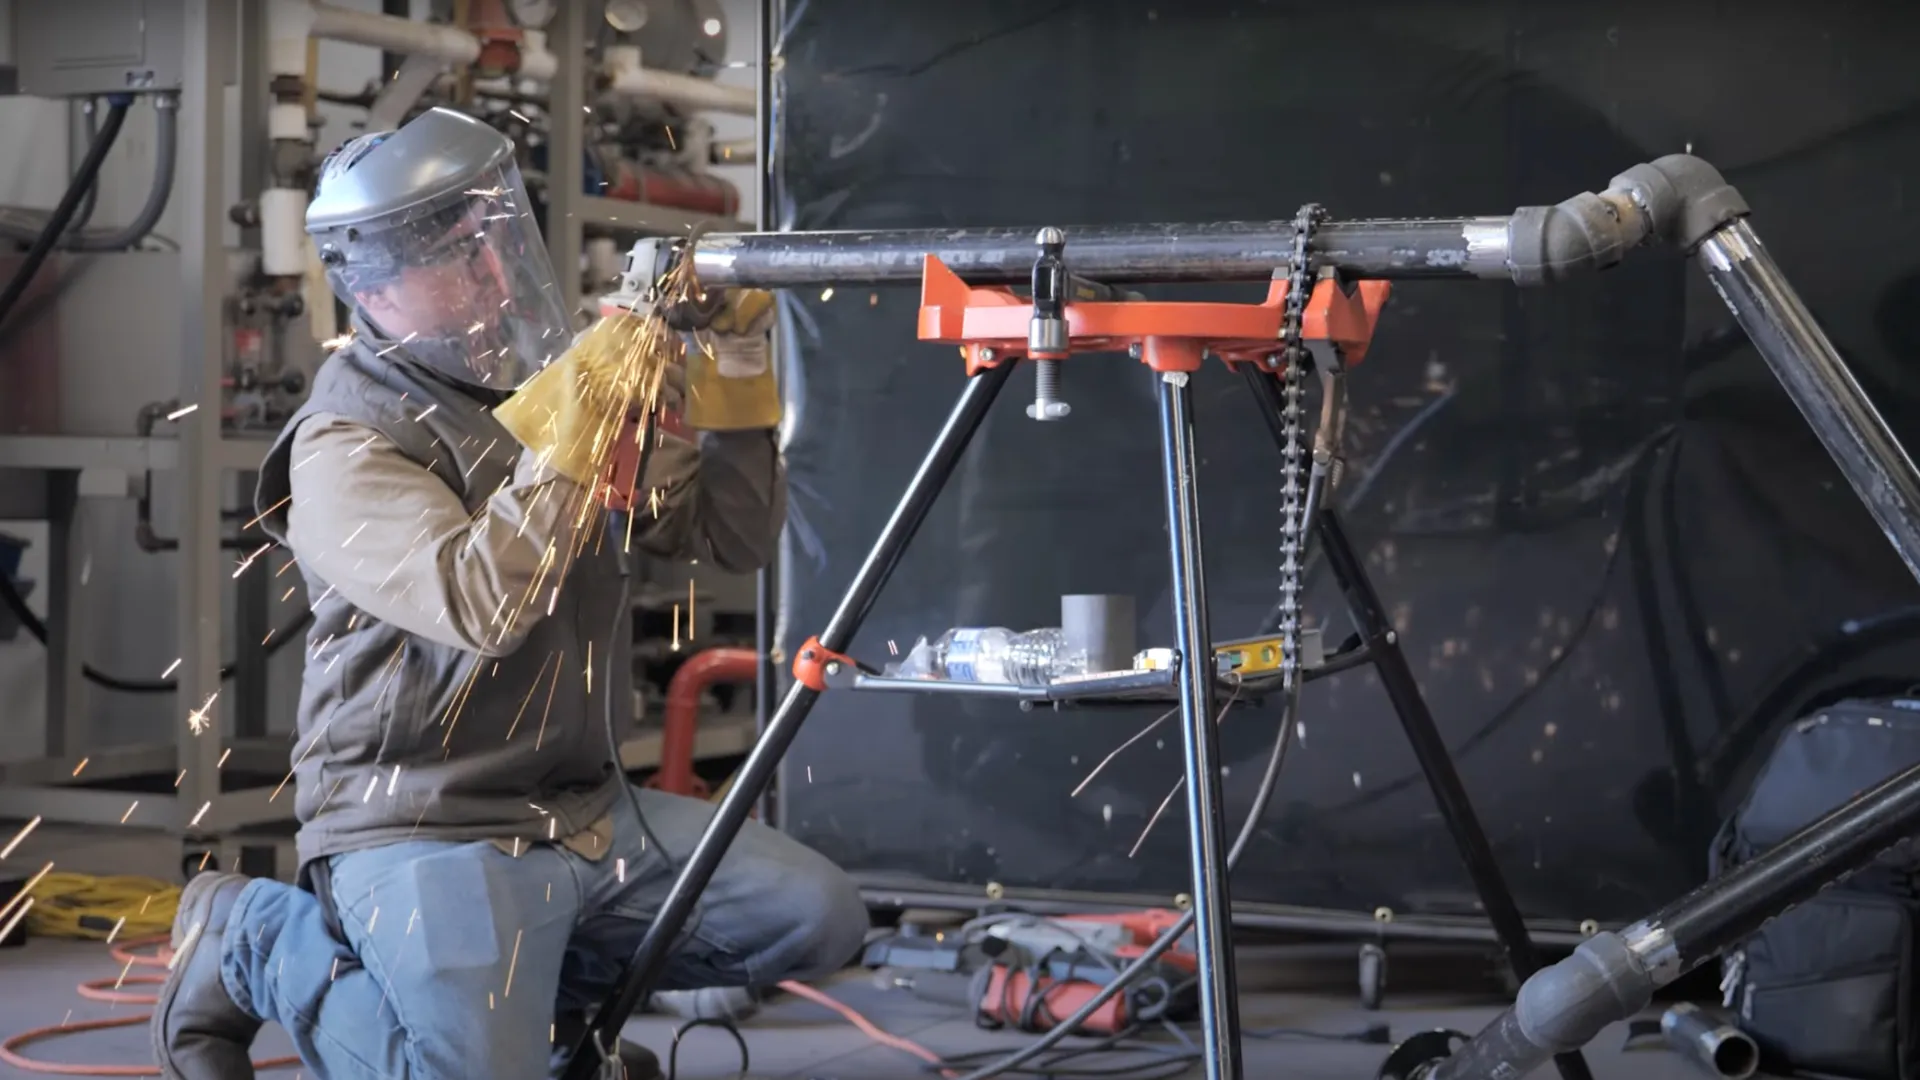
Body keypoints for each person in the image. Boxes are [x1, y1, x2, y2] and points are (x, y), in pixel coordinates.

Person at [149, 107, 869, 1080]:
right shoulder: (344, 446)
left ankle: (532, 1014)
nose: (495, 281)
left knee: (818, 918)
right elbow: (482, 601)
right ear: (376, 282)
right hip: (424, 822)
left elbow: (728, 540)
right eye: (459, 258)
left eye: (497, 246)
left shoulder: (537, 388)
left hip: (580, 812)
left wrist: (738, 377)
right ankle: (253, 938)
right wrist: (580, 433)